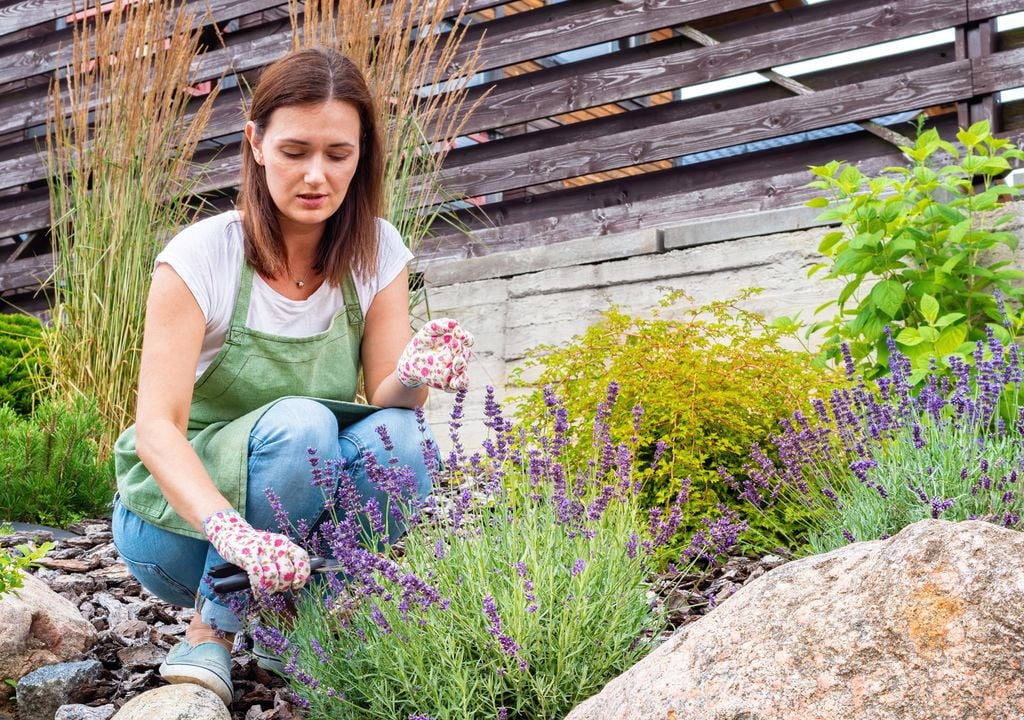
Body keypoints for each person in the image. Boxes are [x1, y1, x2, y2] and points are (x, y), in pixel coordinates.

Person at [111, 47, 473, 706]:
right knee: (304, 424)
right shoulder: (201, 257)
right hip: (180, 529)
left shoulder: (377, 250)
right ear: (255, 144)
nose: (316, 175)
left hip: (290, 527)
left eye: (338, 154)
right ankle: (209, 631)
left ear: (363, 153)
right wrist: (233, 532)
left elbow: (390, 398)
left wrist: (415, 371)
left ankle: (299, 619)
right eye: (294, 151)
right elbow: (155, 431)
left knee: (406, 438)